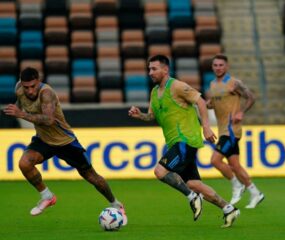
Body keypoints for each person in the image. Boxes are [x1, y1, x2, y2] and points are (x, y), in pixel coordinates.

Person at [3, 67, 127, 225]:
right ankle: (47, 196)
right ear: (21, 84)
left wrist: (22, 115)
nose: (30, 91)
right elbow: (20, 103)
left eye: (33, 86)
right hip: (43, 140)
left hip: (64, 141)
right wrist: (15, 110)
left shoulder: (46, 93)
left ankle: (115, 203)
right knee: (24, 163)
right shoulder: (19, 90)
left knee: (91, 176)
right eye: (26, 87)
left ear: (39, 81)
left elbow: (49, 120)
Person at [128, 55, 240, 228]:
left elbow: (201, 102)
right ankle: (228, 208)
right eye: (149, 69)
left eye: (154, 69)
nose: (150, 72)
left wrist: (206, 127)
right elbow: (151, 115)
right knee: (194, 183)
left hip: (186, 140)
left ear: (165, 69)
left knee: (160, 171)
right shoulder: (154, 92)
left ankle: (192, 197)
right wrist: (140, 115)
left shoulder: (178, 86)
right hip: (176, 142)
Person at [207, 54, 264, 208]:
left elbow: (251, 97)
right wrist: (207, 105)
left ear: (227, 67)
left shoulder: (234, 83)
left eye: (221, 65)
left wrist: (242, 112)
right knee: (235, 166)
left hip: (231, 131)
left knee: (215, 160)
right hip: (222, 130)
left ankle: (237, 185)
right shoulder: (212, 84)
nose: (218, 68)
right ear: (212, 67)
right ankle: (255, 192)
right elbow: (214, 103)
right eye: (215, 65)